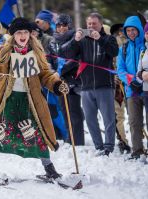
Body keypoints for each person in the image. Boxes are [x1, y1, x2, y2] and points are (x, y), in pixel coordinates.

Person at [0, 17, 69, 179]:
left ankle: (49, 168)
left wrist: (57, 84)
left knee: (37, 132)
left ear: (30, 34)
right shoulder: (4, 52)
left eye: (26, 32)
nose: (22, 35)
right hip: (5, 99)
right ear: (13, 35)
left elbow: (46, 74)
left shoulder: (36, 53)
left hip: (30, 101)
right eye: (19, 32)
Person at [67, 13, 119, 155]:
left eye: (94, 23)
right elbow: (69, 55)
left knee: (108, 118)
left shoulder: (109, 39)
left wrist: (100, 39)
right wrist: (75, 40)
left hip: (105, 86)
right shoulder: (82, 40)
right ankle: (98, 146)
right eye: (89, 24)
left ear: (101, 24)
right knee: (90, 119)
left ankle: (108, 147)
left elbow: (114, 52)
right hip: (86, 86)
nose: (91, 26)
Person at [53, 14, 84, 146]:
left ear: (69, 26)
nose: (61, 28)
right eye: (59, 25)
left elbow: (77, 59)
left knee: (74, 110)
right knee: (64, 109)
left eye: (64, 25)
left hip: (73, 78)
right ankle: (69, 137)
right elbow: (51, 58)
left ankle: (78, 140)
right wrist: (52, 70)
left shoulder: (75, 38)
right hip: (59, 79)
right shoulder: (53, 41)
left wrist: (62, 69)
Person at [118, 16, 146, 159]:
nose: (131, 33)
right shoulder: (123, 48)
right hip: (131, 91)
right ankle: (137, 151)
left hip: (146, 88)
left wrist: (141, 79)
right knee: (134, 122)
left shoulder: (145, 45)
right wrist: (131, 81)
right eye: (128, 30)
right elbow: (120, 69)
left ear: (139, 30)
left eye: (133, 29)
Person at [110, 23, 131, 153]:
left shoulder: (132, 44)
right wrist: (112, 75)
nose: (121, 33)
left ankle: (131, 140)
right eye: (119, 31)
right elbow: (109, 63)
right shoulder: (114, 44)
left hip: (132, 82)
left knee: (133, 114)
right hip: (118, 83)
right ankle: (122, 140)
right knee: (119, 114)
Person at [136, 22, 148, 156]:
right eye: (146, 32)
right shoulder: (143, 50)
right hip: (146, 90)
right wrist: (141, 75)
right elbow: (138, 72)